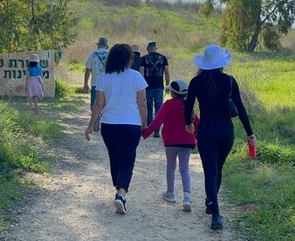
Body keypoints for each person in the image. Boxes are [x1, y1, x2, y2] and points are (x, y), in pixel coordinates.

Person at [184, 44, 256, 230]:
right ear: (221, 64)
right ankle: (211, 202)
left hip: (206, 130)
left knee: (210, 171)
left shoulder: (196, 82)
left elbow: (188, 105)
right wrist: (249, 132)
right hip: (226, 131)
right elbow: (240, 109)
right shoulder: (230, 81)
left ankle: (215, 213)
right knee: (219, 168)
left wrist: (188, 122)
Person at [85, 44, 148, 215]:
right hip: (131, 125)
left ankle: (119, 191)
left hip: (109, 125)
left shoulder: (105, 78)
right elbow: (142, 103)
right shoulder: (136, 77)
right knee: (128, 160)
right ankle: (121, 194)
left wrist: (90, 126)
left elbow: (98, 104)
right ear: (129, 59)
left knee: (115, 158)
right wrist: (145, 123)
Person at [142, 79, 199, 211]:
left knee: (171, 167)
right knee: (184, 169)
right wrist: (198, 140)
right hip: (187, 141)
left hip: (171, 141)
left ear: (172, 93)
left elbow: (157, 121)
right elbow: (197, 125)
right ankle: (187, 197)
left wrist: (145, 132)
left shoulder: (168, 105)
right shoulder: (189, 106)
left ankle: (171, 193)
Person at [140, 41, 170, 138]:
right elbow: (167, 73)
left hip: (147, 87)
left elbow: (141, 72)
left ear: (148, 49)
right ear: (156, 48)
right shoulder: (163, 58)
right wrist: (167, 85)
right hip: (159, 87)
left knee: (148, 107)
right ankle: (157, 130)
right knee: (158, 108)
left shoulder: (144, 58)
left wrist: (141, 86)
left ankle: (149, 128)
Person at [83, 37, 109, 131]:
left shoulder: (92, 55)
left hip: (96, 83)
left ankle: (96, 118)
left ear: (98, 45)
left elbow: (88, 70)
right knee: (107, 102)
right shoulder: (110, 54)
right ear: (106, 45)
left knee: (94, 102)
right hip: (108, 83)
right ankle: (105, 120)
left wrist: (85, 83)